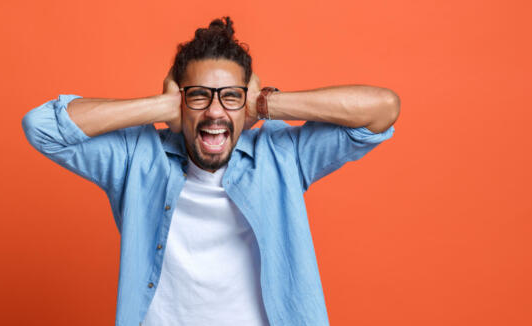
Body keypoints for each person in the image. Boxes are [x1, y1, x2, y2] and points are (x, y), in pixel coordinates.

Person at [22, 16, 399, 326]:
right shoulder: (137, 159)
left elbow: (382, 109)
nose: (215, 112)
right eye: (199, 95)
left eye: (230, 96)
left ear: (246, 104)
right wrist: (161, 107)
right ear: (179, 101)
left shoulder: (281, 157)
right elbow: (42, 127)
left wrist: (267, 103)